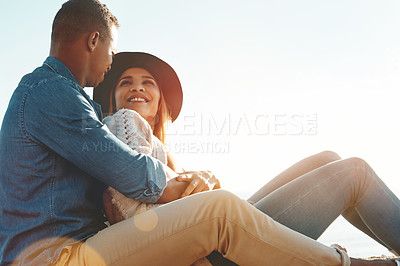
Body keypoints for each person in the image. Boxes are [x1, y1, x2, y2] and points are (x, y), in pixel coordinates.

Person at [0, 1, 397, 265]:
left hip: (86, 247)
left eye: (147, 83)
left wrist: (187, 179)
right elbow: (124, 170)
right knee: (223, 206)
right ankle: (346, 263)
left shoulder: (56, 94)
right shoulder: (50, 92)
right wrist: (188, 183)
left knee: (326, 161)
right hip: (57, 257)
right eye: (113, 55)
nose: (110, 66)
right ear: (93, 41)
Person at [93, 51, 400, 265]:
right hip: (211, 250)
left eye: (148, 82)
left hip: (218, 234)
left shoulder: (156, 143)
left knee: (326, 159)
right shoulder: (122, 123)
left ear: (160, 100)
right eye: (126, 82)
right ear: (114, 98)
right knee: (353, 172)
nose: (137, 87)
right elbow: (132, 211)